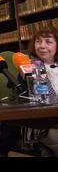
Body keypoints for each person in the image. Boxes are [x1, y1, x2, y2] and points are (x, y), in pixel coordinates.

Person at [19, 27, 58, 156]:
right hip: (43, 123)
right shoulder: (29, 66)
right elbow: (22, 100)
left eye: (48, 42)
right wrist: (27, 79)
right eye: (38, 41)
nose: (42, 46)